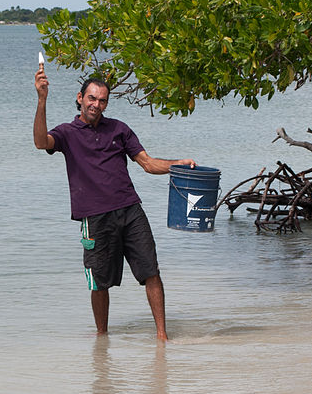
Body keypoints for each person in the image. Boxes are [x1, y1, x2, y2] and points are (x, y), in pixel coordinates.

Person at [34, 64, 195, 341]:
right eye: (92, 98)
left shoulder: (119, 130)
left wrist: (176, 165)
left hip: (130, 210)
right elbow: (40, 142)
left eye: (102, 100)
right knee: (99, 282)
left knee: (151, 272)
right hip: (94, 217)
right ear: (80, 98)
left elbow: (147, 163)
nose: (96, 104)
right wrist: (42, 100)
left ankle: (162, 337)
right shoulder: (67, 133)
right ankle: (102, 339)